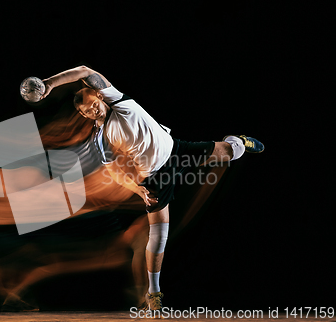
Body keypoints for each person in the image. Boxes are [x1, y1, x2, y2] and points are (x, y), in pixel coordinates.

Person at [40, 65, 264, 310]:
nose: (92, 110)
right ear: (83, 115)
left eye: (93, 104)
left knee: (232, 152)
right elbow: (114, 171)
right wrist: (137, 189)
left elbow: (84, 70)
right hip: (155, 178)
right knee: (158, 236)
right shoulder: (100, 138)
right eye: (86, 111)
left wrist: (50, 84)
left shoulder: (118, 100)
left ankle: (238, 141)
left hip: (177, 151)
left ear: (100, 96)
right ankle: (154, 294)